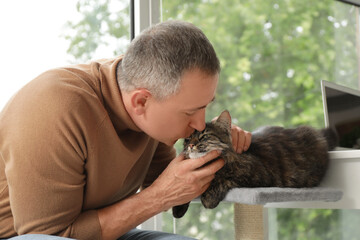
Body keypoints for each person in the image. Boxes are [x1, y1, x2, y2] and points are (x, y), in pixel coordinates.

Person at [0, 20, 251, 240]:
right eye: (189, 112)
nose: (199, 123)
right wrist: (157, 198)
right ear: (140, 102)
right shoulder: (54, 107)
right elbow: (44, 237)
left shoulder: (148, 100)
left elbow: (171, 184)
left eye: (205, 108)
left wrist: (223, 144)